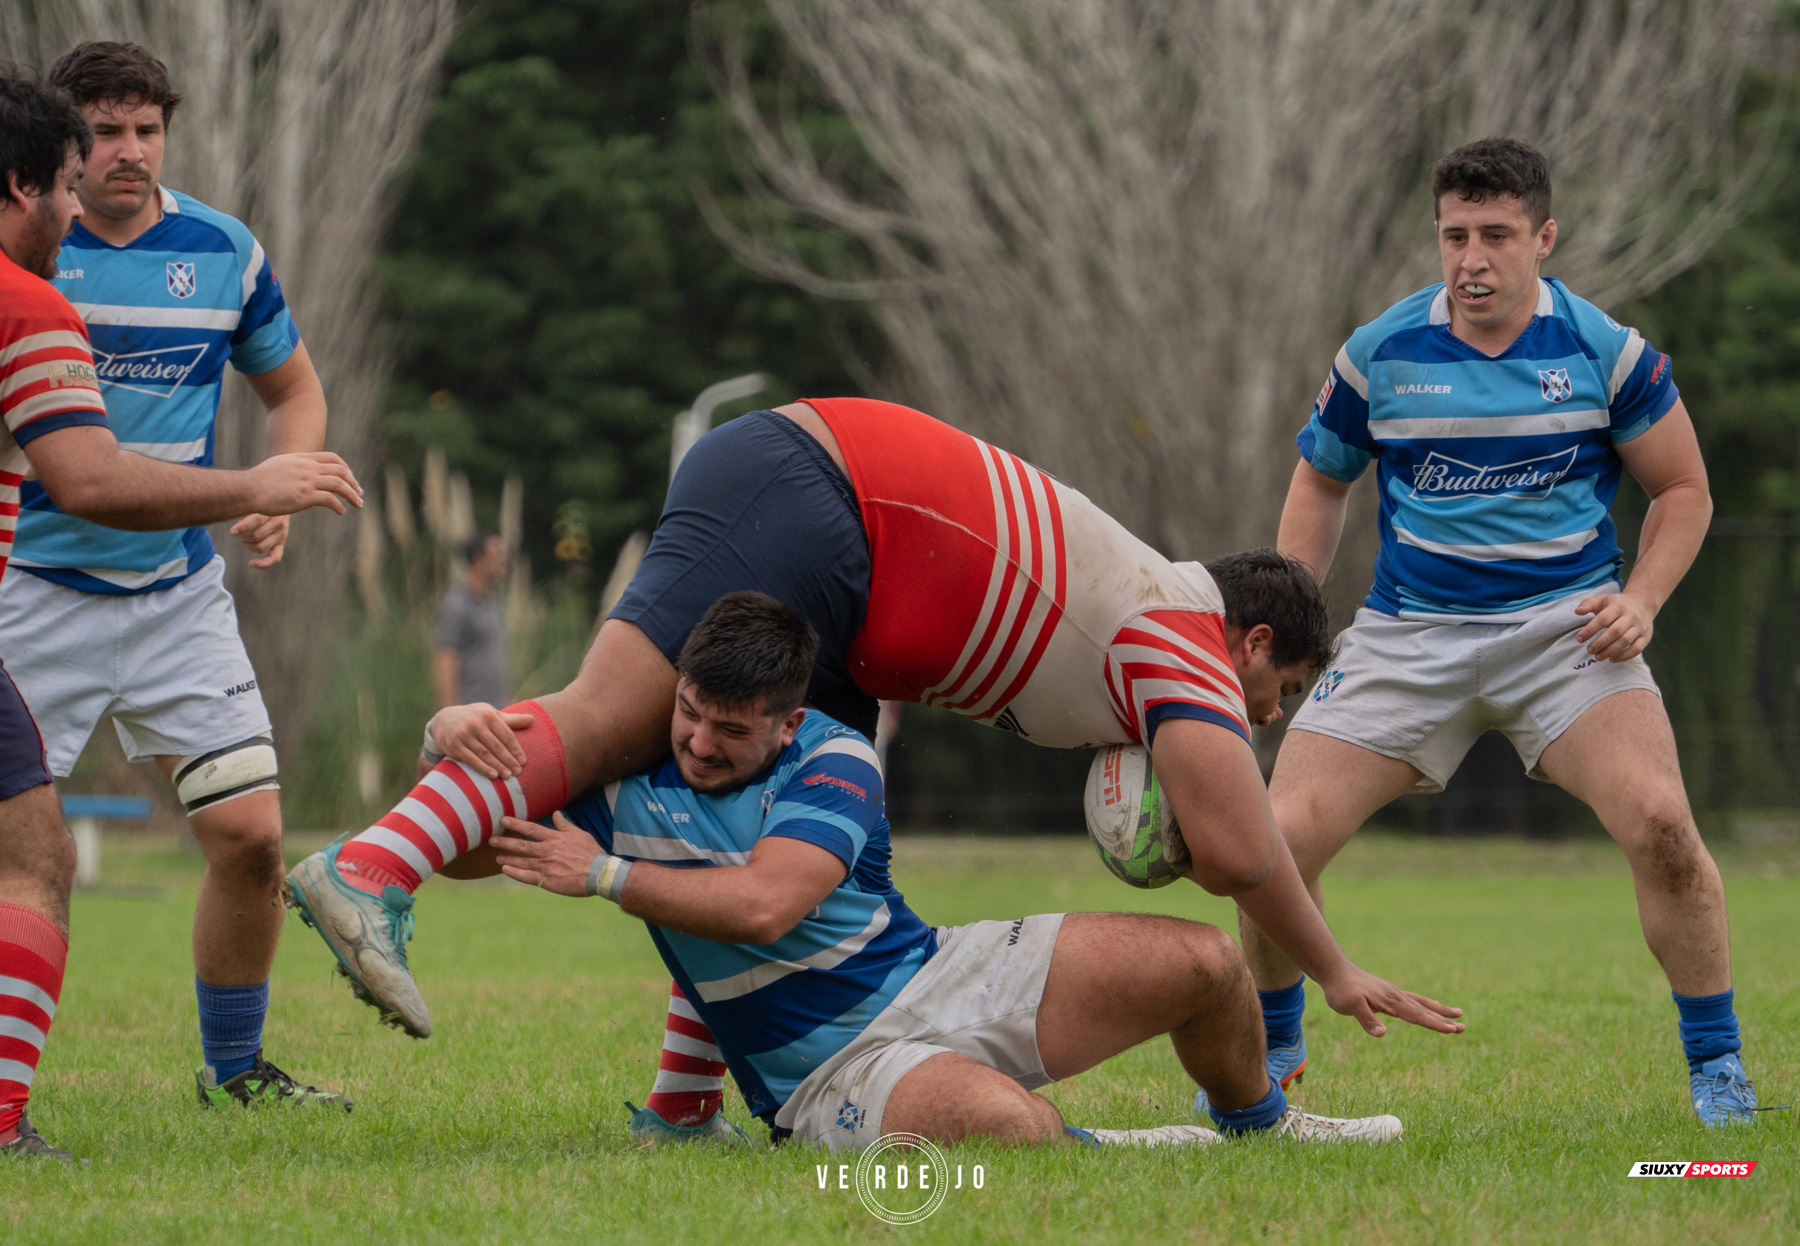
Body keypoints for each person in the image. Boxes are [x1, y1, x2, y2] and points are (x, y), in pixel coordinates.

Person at [286, 398, 1462, 1140]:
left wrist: (463, 736)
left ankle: (683, 1107)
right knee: (613, 726)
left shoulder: (1141, 629)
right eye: (1284, 695)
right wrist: (1337, 970)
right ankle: (371, 870)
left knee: (734, 797)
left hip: (834, 549)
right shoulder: (1186, 641)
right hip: (828, 496)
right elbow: (1245, 851)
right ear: (1256, 645)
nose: (1260, 719)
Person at [1236, 136, 1768, 1128]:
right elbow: (1321, 476)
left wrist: (1642, 598)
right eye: (1453, 237)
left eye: (1495, 236)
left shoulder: (1607, 354)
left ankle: (1718, 1072)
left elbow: (1685, 492)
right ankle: (1275, 1050)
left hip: (1568, 639)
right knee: (1278, 836)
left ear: (1544, 239)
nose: (1471, 258)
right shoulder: (1381, 354)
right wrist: (1297, 611)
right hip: (1408, 638)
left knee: (1663, 822)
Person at [491, 591, 1406, 1147]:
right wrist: (452, 738)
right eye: (690, 712)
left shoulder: (836, 758)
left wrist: (603, 877)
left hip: (933, 968)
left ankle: (1261, 1129)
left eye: (732, 730)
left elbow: (768, 905)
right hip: (828, 1073)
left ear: (787, 721)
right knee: (1008, 1132)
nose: (698, 741)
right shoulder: (627, 787)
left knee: (1208, 966)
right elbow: (472, 847)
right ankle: (1116, 1146)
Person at [0, 65, 361, 1160]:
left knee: (250, 837)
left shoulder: (220, 251)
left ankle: (238, 1069)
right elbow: (92, 478)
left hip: (174, 596)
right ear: (51, 166)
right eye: (98, 137)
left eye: (145, 130)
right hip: (34, 590)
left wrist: (281, 483)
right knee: (25, 856)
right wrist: (254, 486)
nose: (124, 154)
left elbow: (292, 390)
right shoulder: (38, 285)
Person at [434, 532, 511, 711]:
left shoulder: (492, 603)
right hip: (471, 716)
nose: (504, 558)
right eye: (497, 553)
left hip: (496, 711)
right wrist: (452, 714)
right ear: (478, 560)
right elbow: (445, 662)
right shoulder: (456, 605)